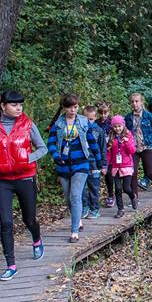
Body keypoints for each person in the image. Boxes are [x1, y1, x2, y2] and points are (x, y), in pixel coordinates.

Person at [0, 91, 47, 281]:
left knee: (29, 218)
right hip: (1, 181)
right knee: (6, 222)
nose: (19, 108)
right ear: (3, 106)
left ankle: (36, 239)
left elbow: (43, 148)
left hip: (25, 178)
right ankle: (11, 264)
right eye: (14, 105)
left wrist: (27, 159)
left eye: (21, 105)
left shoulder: (28, 125)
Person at [48, 93, 102, 243]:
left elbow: (92, 141)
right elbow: (51, 142)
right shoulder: (58, 124)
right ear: (64, 108)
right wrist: (55, 156)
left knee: (75, 195)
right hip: (63, 165)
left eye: (76, 107)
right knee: (68, 197)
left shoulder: (84, 122)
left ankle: (74, 232)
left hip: (81, 163)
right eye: (70, 107)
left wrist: (99, 160)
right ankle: (77, 220)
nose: (73, 110)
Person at [106, 115, 137, 218]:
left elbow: (132, 151)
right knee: (118, 189)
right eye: (115, 127)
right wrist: (106, 164)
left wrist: (126, 142)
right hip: (116, 167)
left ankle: (133, 197)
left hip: (126, 165)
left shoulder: (128, 135)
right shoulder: (111, 137)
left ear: (123, 125)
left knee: (126, 188)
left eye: (119, 126)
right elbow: (109, 153)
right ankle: (120, 209)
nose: (117, 129)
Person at [81, 105, 106, 220]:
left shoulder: (99, 131)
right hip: (81, 163)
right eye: (86, 119)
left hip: (94, 163)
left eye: (91, 119)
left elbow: (103, 148)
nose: (88, 121)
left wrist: (103, 164)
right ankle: (84, 207)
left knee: (93, 187)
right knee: (81, 187)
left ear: (95, 117)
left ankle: (95, 209)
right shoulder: (79, 129)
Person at [97, 102, 116, 207]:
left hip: (111, 150)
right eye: (101, 113)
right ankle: (107, 195)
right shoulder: (96, 123)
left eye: (105, 112)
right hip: (100, 150)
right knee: (104, 173)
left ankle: (111, 194)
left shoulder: (112, 122)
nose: (103, 115)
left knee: (110, 173)